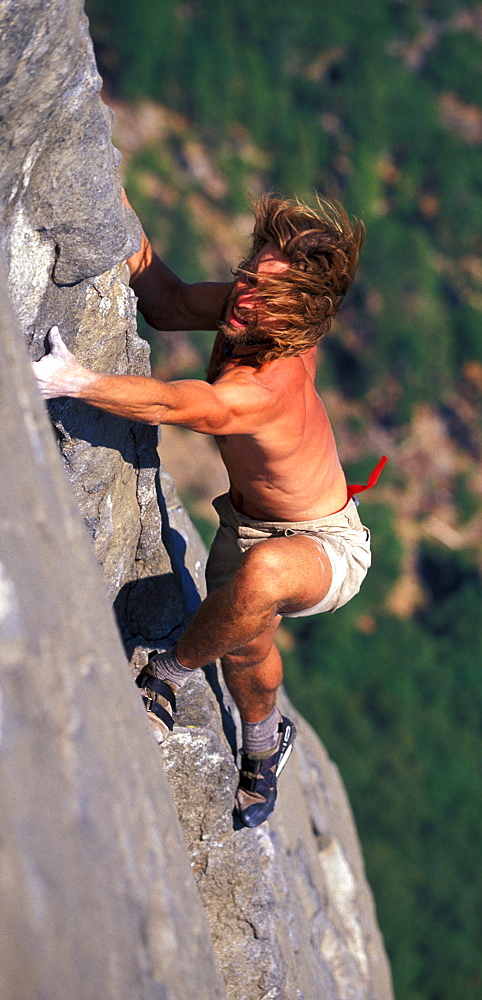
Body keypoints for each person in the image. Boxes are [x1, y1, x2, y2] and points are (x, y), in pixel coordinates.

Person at [32, 192, 385, 828]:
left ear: (299, 316)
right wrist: (111, 191)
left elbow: (172, 404)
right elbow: (164, 302)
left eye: (265, 293)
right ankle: (262, 744)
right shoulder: (248, 307)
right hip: (245, 524)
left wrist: (73, 381)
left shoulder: (267, 386)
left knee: (265, 578)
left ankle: (168, 673)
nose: (245, 294)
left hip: (324, 540)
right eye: (248, 275)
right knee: (245, 650)